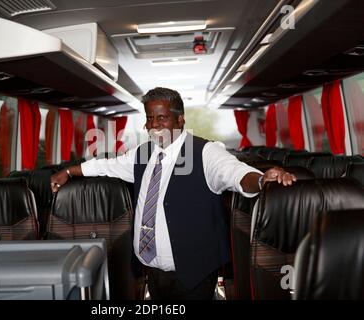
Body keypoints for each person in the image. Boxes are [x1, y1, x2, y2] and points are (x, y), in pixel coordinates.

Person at [50, 87, 296, 300]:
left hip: (194, 273)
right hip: (151, 271)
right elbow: (105, 165)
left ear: (180, 120)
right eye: (149, 118)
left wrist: (263, 179)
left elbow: (235, 174)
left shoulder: (205, 152)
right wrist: (69, 172)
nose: (155, 125)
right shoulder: (141, 153)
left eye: (162, 118)